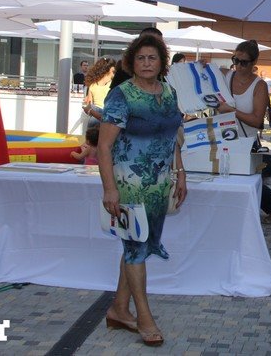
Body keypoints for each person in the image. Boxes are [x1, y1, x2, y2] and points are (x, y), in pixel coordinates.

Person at [97, 33, 187, 347]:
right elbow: (103, 147)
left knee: (138, 246)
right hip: (128, 184)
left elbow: (173, 136)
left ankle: (118, 310)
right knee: (136, 248)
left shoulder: (169, 92)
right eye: (140, 58)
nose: (146, 63)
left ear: (162, 62)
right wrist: (110, 189)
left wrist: (181, 173)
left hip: (158, 185)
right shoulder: (122, 95)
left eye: (152, 57)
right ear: (131, 63)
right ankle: (144, 317)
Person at [216, 40, 269, 139]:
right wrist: (201, 65)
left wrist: (231, 110)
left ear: (254, 62)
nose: (238, 66)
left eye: (244, 62)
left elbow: (257, 121)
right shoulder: (224, 75)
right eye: (236, 60)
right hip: (222, 140)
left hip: (246, 142)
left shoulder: (260, 86)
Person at [83, 58, 116, 124]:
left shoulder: (92, 85)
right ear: (109, 69)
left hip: (94, 118)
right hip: (107, 118)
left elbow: (89, 105)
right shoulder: (114, 85)